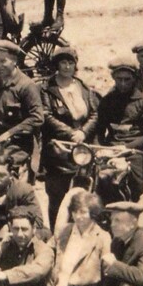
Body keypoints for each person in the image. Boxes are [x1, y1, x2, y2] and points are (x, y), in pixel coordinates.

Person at [39, 46, 99, 229]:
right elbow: (47, 115)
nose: (66, 67)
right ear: (56, 65)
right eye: (63, 62)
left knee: (83, 191)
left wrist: (83, 132)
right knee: (57, 194)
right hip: (59, 148)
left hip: (83, 147)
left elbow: (95, 114)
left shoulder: (83, 87)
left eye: (70, 62)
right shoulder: (47, 89)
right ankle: (57, 232)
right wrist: (70, 133)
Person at [87, 57, 143, 200]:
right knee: (98, 181)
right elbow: (99, 131)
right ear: (113, 78)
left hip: (134, 150)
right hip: (111, 149)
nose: (123, 83)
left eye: (127, 79)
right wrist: (99, 149)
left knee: (139, 184)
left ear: (134, 78)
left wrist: (126, 147)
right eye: (119, 79)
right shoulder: (107, 101)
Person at [0, 40, 45, 162]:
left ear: (15, 61)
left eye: (3, 61)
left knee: (0, 163)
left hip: (19, 142)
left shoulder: (27, 85)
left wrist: (8, 134)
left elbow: (37, 117)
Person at [48, 192, 111, 286]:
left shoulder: (103, 237)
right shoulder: (64, 230)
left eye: (83, 212)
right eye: (74, 211)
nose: (77, 216)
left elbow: (107, 273)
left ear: (93, 212)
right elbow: (47, 251)